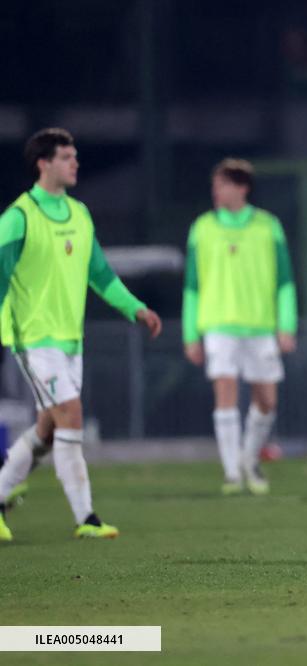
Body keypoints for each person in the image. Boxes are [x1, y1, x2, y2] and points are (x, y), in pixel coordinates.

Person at [0, 128, 162, 542]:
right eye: (66, 157)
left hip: (70, 339)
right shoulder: (19, 217)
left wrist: (136, 308)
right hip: (32, 337)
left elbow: (101, 275)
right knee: (70, 414)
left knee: (48, 429)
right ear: (44, 163)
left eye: (75, 156)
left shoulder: (79, 214)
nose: (75, 163)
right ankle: (86, 517)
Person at [183, 159, 298, 496]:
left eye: (222, 184)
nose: (216, 191)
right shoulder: (201, 227)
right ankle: (232, 472)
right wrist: (191, 334)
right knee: (226, 393)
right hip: (218, 325)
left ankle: (248, 459)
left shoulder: (268, 225)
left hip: (261, 326)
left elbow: (285, 281)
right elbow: (191, 285)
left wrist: (286, 325)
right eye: (215, 185)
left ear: (242, 187)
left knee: (267, 401)